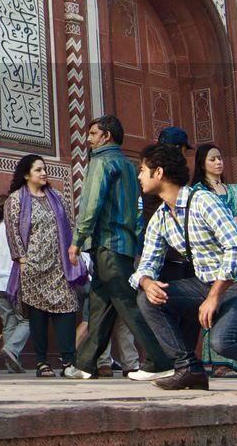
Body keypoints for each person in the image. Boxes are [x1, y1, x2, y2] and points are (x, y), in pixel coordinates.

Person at [131, 143, 237, 393]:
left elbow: (236, 248)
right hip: (208, 284)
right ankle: (189, 369)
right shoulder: (161, 216)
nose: (139, 176)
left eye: (142, 170)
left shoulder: (203, 201)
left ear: (158, 172)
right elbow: (146, 264)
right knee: (148, 299)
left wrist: (214, 296)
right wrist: (147, 282)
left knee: (222, 342)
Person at [66, 116, 171, 381]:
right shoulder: (129, 166)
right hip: (122, 245)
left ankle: (159, 359)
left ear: (107, 136)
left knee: (126, 303)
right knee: (101, 305)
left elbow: (91, 205)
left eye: (93, 133)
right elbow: (138, 211)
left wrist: (77, 240)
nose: (88, 139)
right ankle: (85, 364)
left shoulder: (101, 161)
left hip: (107, 244)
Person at [5, 153, 85, 377]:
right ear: (26, 174)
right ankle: (42, 363)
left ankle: (69, 362)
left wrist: (74, 250)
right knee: (38, 316)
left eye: (44, 169)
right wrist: (21, 259)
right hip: (32, 266)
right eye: (38, 170)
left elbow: (71, 225)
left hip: (60, 265)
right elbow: (12, 231)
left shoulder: (57, 196)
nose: (43, 173)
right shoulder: (16, 199)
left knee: (67, 310)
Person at [191, 143, 237, 375]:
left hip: (236, 254)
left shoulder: (234, 190)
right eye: (212, 159)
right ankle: (218, 361)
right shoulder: (199, 191)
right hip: (212, 255)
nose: (218, 162)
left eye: (219, 158)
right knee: (216, 303)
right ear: (202, 163)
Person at [0, 193, 30, 372]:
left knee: (9, 323)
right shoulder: (14, 229)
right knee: (27, 321)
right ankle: (12, 348)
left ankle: (11, 363)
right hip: (13, 282)